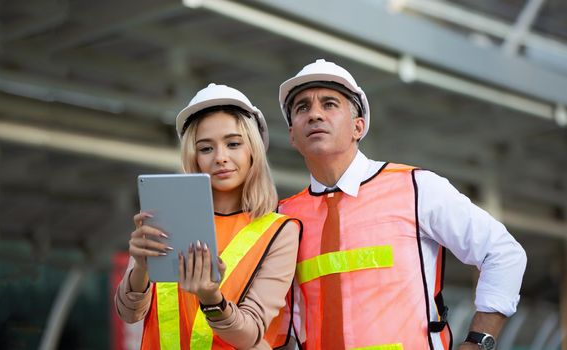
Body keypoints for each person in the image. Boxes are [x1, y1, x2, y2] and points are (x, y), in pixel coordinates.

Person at [277, 59, 527, 350]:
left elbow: (503, 253)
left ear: (358, 126)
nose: (314, 114)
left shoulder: (416, 187)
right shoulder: (283, 217)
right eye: (302, 107)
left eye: (330, 104)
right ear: (292, 135)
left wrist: (477, 342)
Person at [115, 83, 300, 349]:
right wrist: (141, 267)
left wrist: (211, 298)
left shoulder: (280, 232)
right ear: (194, 156)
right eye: (205, 148)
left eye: (233, 144)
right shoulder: (166, 217)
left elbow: (249, 335)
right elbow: (129, 314)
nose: (220, 157)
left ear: (253, 150)